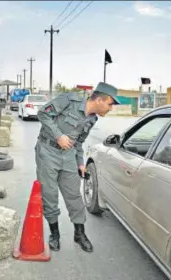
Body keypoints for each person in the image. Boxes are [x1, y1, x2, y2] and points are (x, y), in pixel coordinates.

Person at [35, 82, 120, 252]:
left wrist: (80, 163)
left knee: (74, 195)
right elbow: (43, 114)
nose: (111, 109)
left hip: (68, 156)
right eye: (110, 104)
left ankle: (79, 233)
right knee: (49, 194)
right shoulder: (68, 100)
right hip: (47, 151)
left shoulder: (92, 118)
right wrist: (58, 136)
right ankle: (55, 234)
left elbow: (79, 142)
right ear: (99, 100)